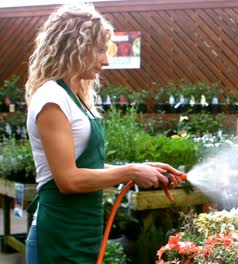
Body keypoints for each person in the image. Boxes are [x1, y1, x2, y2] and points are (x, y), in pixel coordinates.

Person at [24, 3, 183, 263]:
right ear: (75, 47)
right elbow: (68, 180)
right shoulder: (51, 99)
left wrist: (139, 168)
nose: (106, 60)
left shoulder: (73, 96)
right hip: (57, 235)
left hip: (81, 232)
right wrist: (130, 172)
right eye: (100, 50)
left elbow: (85, 165)